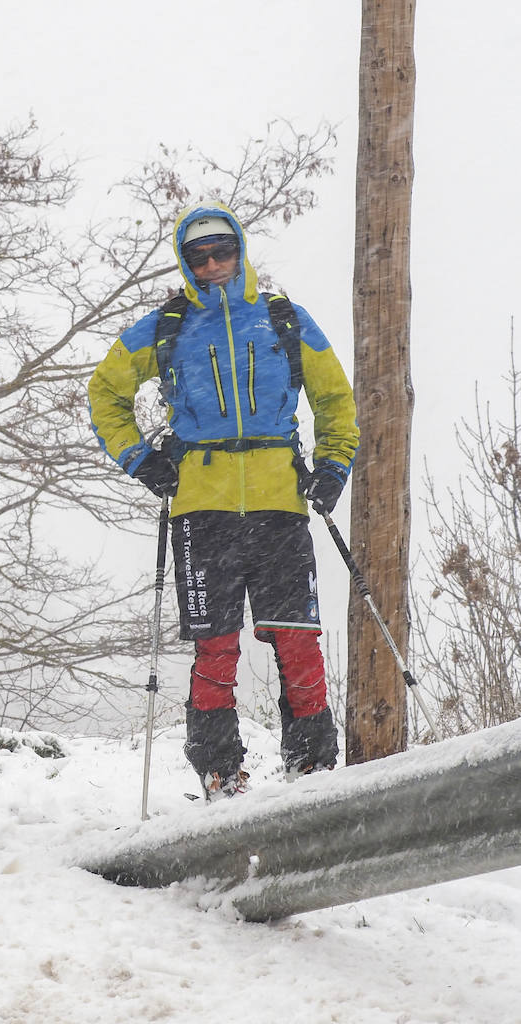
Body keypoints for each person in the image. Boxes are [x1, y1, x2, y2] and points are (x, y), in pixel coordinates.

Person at [87, 203, 359, 800]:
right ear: (187, 262)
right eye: (200, 256)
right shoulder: (167, 325)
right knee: (216, 645)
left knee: (297, 637)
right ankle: (220, 772)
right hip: (200, 508)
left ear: (240, 250)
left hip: (279, 503)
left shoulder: (282, 318)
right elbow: (105, 392)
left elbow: (336, 400)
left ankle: (312, 767)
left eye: (223, 252)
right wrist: (141, 459)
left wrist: (333, 466)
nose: (213, 265)